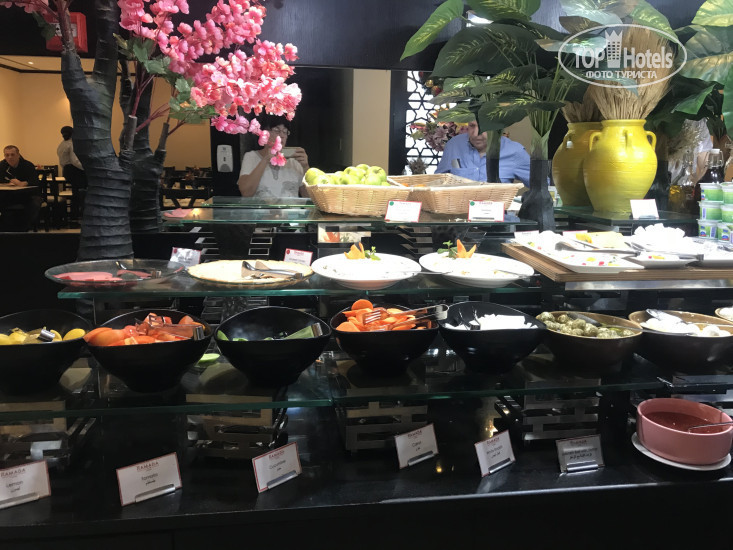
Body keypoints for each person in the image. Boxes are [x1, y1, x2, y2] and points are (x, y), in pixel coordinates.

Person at [436, 120, 531, 186]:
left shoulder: (514, 151)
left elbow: (539, 185)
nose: (476, 134)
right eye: (472, 126)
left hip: (496, 209)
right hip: (458, 208)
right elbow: (436, 182)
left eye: (483, 127)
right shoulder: (454, 145)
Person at [237, 114, 309, 198]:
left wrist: (305, 167)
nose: (282, 135)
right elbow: (246, 193)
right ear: (264, 133)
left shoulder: (295, 161)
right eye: (276, 130)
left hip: (291, 207)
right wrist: (265, 159)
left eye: (285, 132)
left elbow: (309, 198)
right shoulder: (251, 157)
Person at [0, 145, 41, 231]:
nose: (10, 157)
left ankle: (23, 229)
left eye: (12, 154)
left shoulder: (28, 165)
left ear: (18, 155)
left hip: (27, 195)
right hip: (8, 195)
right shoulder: (2, 166)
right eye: (7, 155)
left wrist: (24, 183)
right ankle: (5, 230)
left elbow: (35, 181)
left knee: (35, 203)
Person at [56, 125, 87, 221]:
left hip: (66, 171)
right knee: (81, 192)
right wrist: (86, 168)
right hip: (74, 171)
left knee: (75, 192)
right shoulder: (72, 144)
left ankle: (75, 215)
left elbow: (62, 162)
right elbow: (75, 161)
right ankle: (79, 214)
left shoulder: (61, 145)